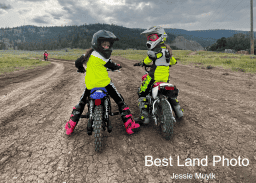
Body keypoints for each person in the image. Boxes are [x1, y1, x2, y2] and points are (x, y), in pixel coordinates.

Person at [65, 30, 140, 135]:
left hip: (90, 85)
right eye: (104, 44)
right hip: (105, 84)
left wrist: (81, 68)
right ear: (98, 43)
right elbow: (112, 65)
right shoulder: (104, 58)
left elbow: (77, 62)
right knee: (120, 101)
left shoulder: (87, 55)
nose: (106, 47)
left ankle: (70, 126)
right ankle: (129, 125)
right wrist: (117, 66)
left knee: (81, 103)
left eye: (108, 45)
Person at [134, 26, 184, 125]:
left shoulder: (153, 51)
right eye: (148, 38)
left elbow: (146, 61)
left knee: (142, 93)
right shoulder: (168, 50)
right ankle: (179, 114)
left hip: (153, 78)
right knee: (171, 96)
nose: (150, 40)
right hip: (165, 79)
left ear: (161, 37)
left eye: (152, 37)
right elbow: (173, 62)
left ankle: (145, 117)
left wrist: (140, 63)